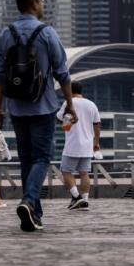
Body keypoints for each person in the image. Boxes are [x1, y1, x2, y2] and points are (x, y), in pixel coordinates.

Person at [0, 0, 75, 232]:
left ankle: (34, 214)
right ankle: (29, 201)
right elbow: (62, 72)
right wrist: (70, 104)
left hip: (17, 107)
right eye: (41, 0)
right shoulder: (47, 33)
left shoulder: (6, 35)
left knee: (27, 159)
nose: (43, 4)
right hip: (43, 105)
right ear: (34, 4)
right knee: (42, 157)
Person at [57, 81, 100, 210]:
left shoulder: (69, 103)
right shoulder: (92, 105)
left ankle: (77, 197)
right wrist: (96, 142)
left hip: (73, 144)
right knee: (84, 173)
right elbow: (97, 124)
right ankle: (85, 201)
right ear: (81, 91)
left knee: (65, 171)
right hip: (87, 145)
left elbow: (64, 124)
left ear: (70, 91)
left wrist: (66, 122)